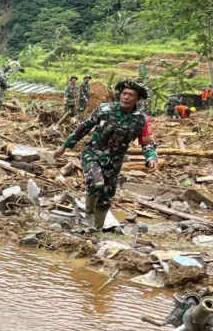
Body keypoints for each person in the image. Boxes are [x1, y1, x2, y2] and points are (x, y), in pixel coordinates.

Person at [54, 80, 158, 230]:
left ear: (138, 99)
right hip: (93, 154)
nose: (126, 97)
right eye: (124, 94)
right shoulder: (105, 109)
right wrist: (65, 146)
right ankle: (88, 216)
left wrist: (151, 158)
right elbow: (83, 128)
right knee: (96, 184)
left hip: (114, 161)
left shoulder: (142, 120)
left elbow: (147, 142)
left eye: (131, 95)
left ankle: (96, 230)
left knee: (106, 197)